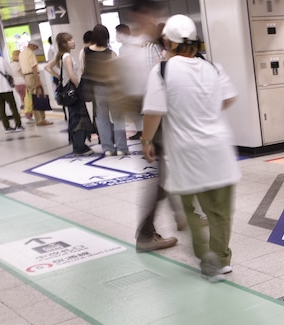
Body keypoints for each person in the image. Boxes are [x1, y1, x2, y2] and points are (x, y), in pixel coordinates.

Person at [141, 14, 240, 280]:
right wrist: (205, 111)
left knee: (191, 209)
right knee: (219, 212)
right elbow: (229, 98)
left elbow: (153, 112)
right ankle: (220, 259)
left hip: (185, 153)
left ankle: (204, 255)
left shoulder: (162, 71)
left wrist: (146, 140)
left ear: (167, 42)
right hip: (219, 150)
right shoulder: (213, 68)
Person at [118, 0, 183, 252]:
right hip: (154, 123)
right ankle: (146, 234)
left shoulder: (146, 48)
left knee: (165, 174)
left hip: (154, 122)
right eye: (155, 15)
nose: (158, 20)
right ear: (143, 16)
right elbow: (143, 97)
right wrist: (147, 137)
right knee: (160, 179)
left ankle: (177, 217)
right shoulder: (138, 51)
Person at [83, 24, 129, 156]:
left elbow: (84, 70)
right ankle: (121, 148)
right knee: (118, 118)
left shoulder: (86, 52)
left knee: (102, 119)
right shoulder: (111, 53)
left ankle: (107, 148)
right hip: (112, 88)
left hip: (97, 89)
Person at [44, 33, 93, 155]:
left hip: (67, 92)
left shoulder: (60, 56)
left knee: (73, 117)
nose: (73, 41)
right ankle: (79, 146)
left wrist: (61, 79)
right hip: (74, 92)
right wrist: (79, 87)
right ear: (64, 44)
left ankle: (78, 144)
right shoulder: (67, 57)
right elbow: (72, 75)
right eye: (70, 40)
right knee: (79, 117)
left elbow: (47, 67)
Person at [20, 39, 52, 126]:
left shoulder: (22, 53)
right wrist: (37, 80)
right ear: (33, 46)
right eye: (36, 48)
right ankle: (41, 120)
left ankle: (38, 119)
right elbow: (34, 67)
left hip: (27, 77)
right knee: (38, 96)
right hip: (32, 76)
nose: (35, 50)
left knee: (33, 98)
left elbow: (21, 69)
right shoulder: (30, 53)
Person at [9, 49, 27, 116]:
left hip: (16, 84)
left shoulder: (10, 64)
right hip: (22, 82)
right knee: (26, 100)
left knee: (23, 99)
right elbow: (22, 74)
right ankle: (28, 114)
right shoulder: (19, 64)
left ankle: (27, 113)